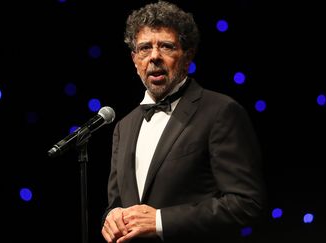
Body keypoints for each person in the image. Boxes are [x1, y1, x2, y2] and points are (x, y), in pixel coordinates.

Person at [101, 1, 266, 243]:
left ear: (187, 57)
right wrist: (111, 216)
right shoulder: (123, 127)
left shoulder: (220, 111)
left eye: (166, 47)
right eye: (145, 48)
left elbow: (247, 204)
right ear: (135, 59)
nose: (154, 56)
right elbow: (116, 204)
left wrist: (160, 221)